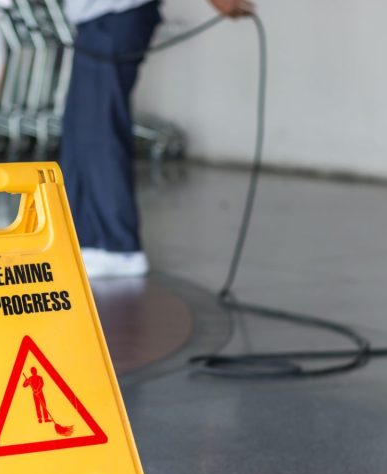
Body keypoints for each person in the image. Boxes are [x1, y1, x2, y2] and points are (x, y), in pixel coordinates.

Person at [60, 0, 254, 278]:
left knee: (99, 130)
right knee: (81, 130)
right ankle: (88, 239)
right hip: (96, 19)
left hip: (116, 15)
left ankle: (119, 249)